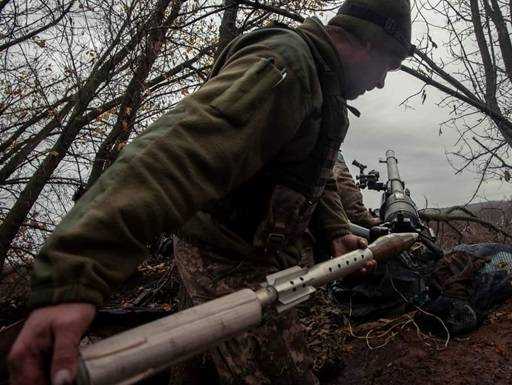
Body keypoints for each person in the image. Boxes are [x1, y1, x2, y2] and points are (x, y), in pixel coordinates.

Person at [7, 1, 414, 385]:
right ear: (364, 42)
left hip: (255, 252)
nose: (380, 82)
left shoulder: (322, 85)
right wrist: (76, 272)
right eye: (387, 68)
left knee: (199, 367)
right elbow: (182, 154)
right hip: (225, 257)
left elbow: (310, 171)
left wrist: (335, 227)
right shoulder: (285, 68)